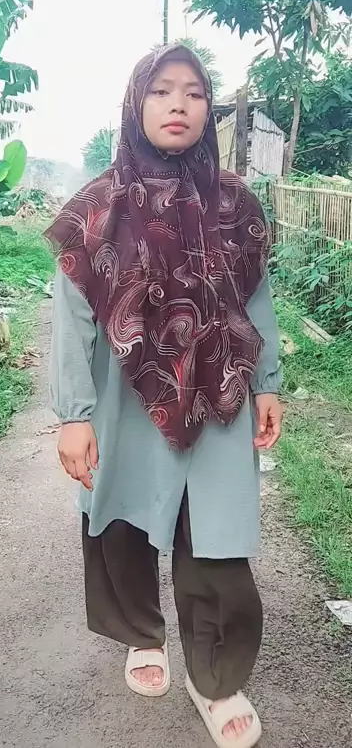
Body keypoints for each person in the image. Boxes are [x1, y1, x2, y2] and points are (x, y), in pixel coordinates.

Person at [46, 44, 283, 748]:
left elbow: (256, 298)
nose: (179, 104)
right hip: (123, 393)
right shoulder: (96, 207)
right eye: (162, 90)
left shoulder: (235, 203)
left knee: (217, 532)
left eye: (195, 93)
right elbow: (72, 318)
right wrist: (74, 415)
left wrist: (267, 384)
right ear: (135, 102)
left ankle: (216, 677)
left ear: (209, 110)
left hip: (221, 388)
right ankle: (141, 633)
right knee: (121, 516)